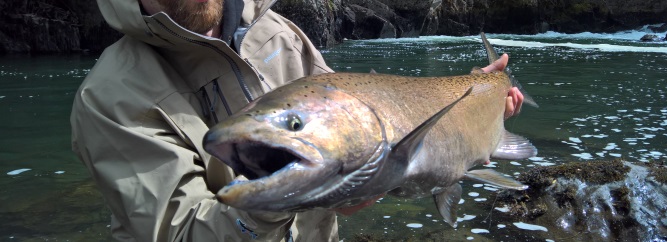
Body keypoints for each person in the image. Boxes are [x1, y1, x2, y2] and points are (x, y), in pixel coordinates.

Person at [70, 0, 523, 241]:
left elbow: (352, 130)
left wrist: (478, 97)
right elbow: (183, 234)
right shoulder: (109, 97)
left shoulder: (279, 32)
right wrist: (272, 206)